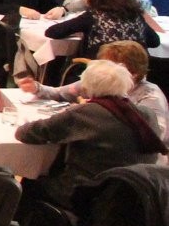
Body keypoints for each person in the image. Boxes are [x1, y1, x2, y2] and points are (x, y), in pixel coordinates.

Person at [16, 59, 167, 211]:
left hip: (88, 196)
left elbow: (26, 133)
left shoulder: (85, 113)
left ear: (87, 86)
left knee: (28, 183)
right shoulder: (147, 114)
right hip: (136, 199)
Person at [20, 40, 169, 145]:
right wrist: (37, 88)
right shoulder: (101, 83)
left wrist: (92, 112)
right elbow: (60, 93)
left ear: (132, 72)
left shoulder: (150, 95)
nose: (101, 68)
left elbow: (157, 135)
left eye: (108, 65)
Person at [45, 0, 158, 58]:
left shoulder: (95, 16)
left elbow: (52, 32)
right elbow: (155, 42)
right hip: (135, 76)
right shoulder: (136, 16)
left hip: (100, 74)